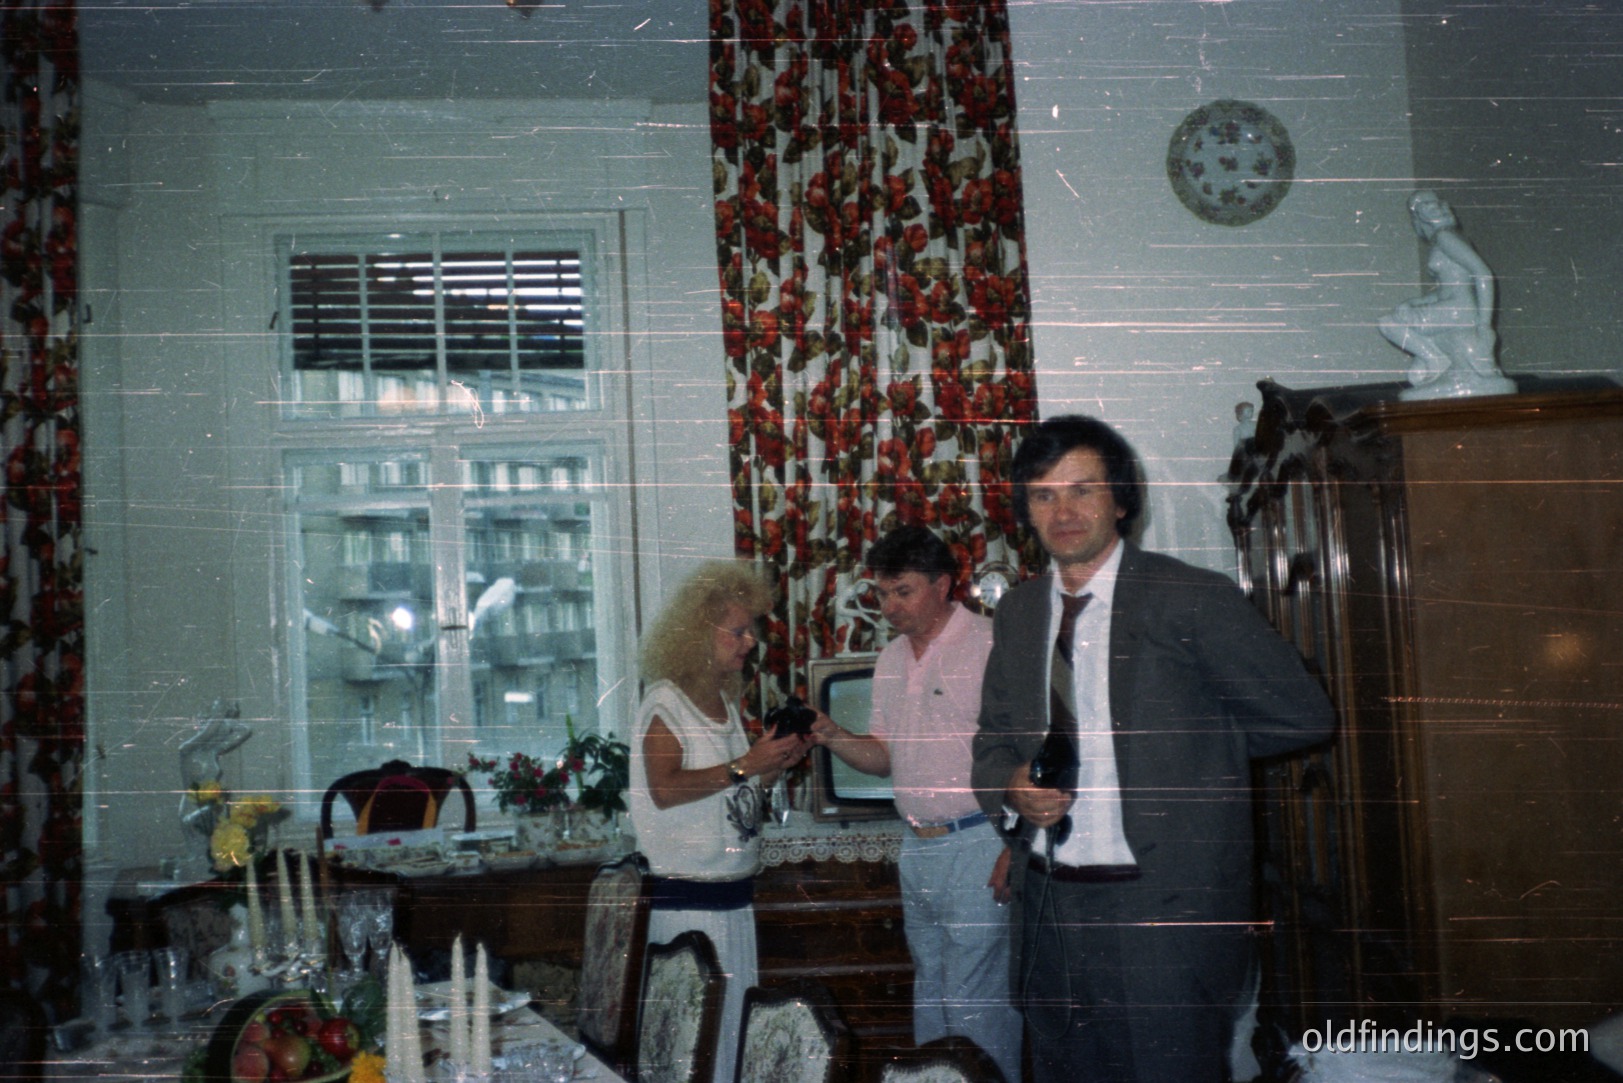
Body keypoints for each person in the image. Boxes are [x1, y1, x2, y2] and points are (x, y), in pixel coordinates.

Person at [971, 415, 1335, 1083]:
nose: (1064, 510)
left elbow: (1301, 715)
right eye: (1043, 494)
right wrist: (1011, 788)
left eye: (1082, 489)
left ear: (1121, 497)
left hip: (1164, 912)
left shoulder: (1190, 598)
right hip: (1050, 907)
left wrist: (1192, 755)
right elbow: (991, 740)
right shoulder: (1019, 613)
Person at [811, 526, 1023, 1083]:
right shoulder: (889, 659)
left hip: (980, 843)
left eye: (902, 591)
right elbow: (885, 758)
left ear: (943, 585)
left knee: (978, 999)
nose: (889, 606)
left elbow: (1030, 750)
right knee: (931, 989)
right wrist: (831, 735)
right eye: (881, 593)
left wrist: (1017, 844)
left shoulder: (992, 644)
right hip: (918, 848)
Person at [628, 560, 812, 1083]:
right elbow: (664, 789)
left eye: (749, 629)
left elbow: (736, 798)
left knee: (729, 1047)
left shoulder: (726, 702)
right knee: (692, 1056)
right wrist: (744, 765)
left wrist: (771, 770)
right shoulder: (665, 703)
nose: (750, 641)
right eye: (738, 630)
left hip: (733, 903)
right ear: (698, 634)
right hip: (688, 911)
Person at [1378, 189, 1515, 399]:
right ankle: (1434, 359)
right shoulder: (1442, 239)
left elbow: (1483, 274)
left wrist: (1484, 325)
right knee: (1399, 318)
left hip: (1458, 310)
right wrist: (1413, 302)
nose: (1433, 206)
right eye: (1423, 204)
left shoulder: (1445, 237)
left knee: (1389, 323)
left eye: (1433, 202)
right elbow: (1444, 291)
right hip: (1452, 307)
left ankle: (1433, 359)